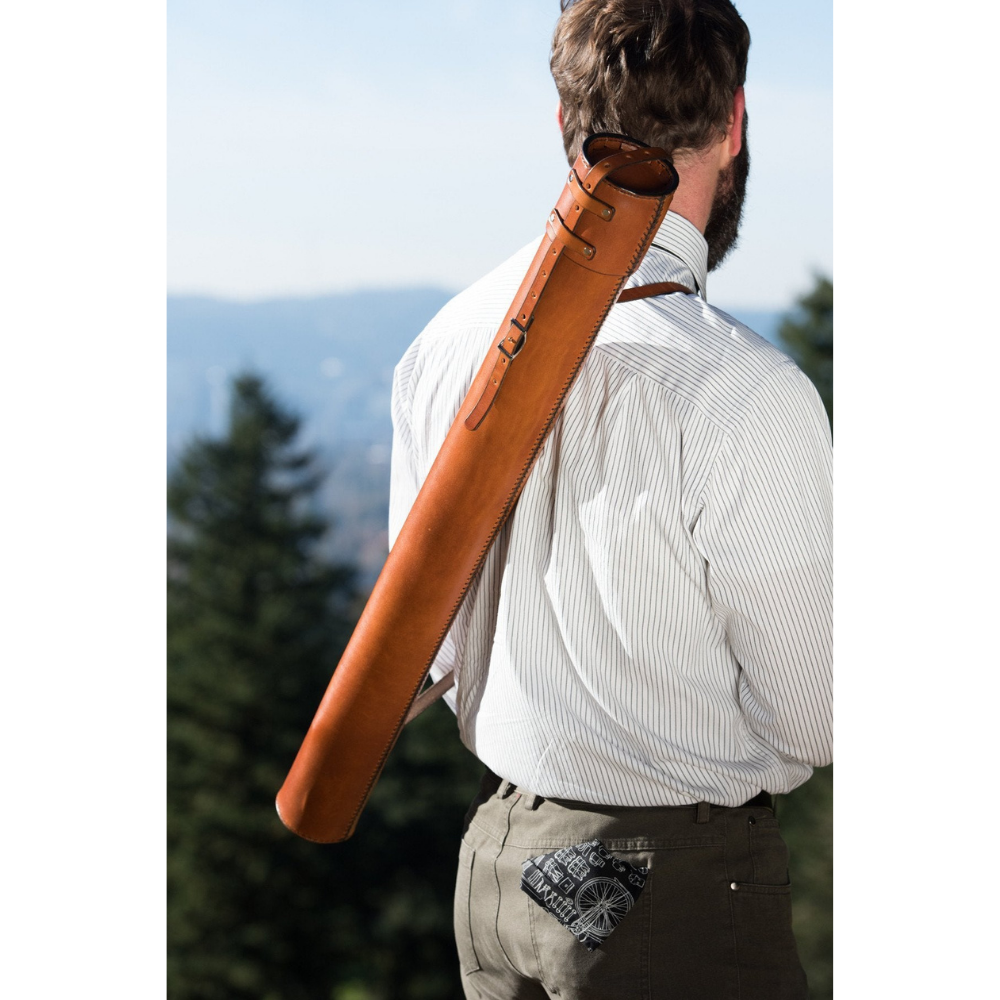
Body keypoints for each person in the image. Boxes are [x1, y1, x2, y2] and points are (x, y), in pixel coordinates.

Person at [388, 1, 831, 997]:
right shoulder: (743, 390)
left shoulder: (445, 344)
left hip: (496, 867)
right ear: (736, 121)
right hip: (667, 894)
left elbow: (438, 647)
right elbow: (816, 715)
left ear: (562, 122)